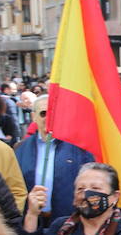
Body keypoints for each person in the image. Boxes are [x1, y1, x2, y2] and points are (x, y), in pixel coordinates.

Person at [16, 95, 95, 224]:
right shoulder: (21, 149)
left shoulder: (79, 148)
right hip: (32, 220)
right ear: (33, 117)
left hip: (69, 221)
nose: (48, 118)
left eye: (53, 114)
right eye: (43, 113)